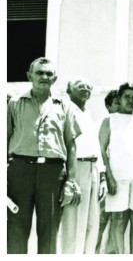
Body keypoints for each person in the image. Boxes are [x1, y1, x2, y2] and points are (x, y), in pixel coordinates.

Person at [8, 58, 82, 254]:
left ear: (55, 78)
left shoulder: (65, 106)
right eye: (39, 72)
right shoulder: (14, 104)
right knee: (15, 228)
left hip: (52, 173)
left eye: (49, 74)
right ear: (29, 76)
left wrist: (71, 181)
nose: (44, 77)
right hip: (19, 171)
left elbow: (71, 145)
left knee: (49, 229)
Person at [99, 83, 133, 254]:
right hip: (117, 176)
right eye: (127, 96)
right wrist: (109, 177)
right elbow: (102, 150)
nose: (131, 100)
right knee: (118, 218)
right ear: (119, 99)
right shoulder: (109, 121)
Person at [58, 78, 105, 254]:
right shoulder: (66, 109)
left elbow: (95, 146)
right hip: (76, 167)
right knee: (73, 219)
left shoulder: (87, 113)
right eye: (80, 86)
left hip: (92, 169)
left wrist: (101, 176)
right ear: (69, 90)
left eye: (88, 86)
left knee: (91, 220)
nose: (85, 88)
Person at [95, 90, 121, 254]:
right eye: (117, 103)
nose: (121, 106)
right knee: (101, 218)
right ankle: (94, 252)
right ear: (108, 106)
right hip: (105, 176)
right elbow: (99, 153)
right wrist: (105, 178)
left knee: (119, 219)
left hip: (123, 176)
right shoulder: (101, 124)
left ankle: (111, 253)